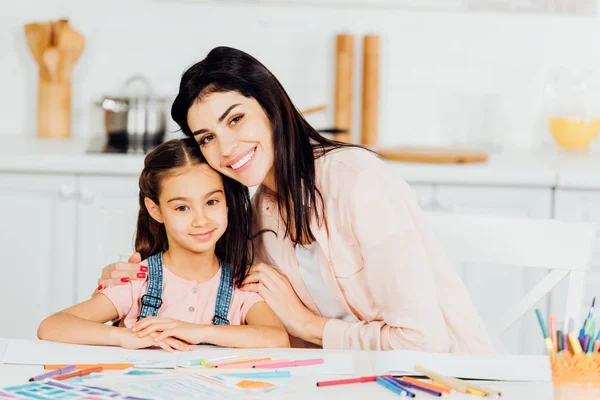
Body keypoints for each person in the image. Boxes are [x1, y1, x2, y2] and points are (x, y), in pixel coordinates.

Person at [96, 46, 495, 353]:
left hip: (438, 381)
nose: (227, 148)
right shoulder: (259, 210)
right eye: (207, 138)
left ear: (270, 106)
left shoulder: (359, 183)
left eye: (235, 119)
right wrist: (145, 276)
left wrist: (307, 325)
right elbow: (228, 296)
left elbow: (423, 342)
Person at [38, 138, 289, 350]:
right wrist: (126, 337)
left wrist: (199, 332)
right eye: (182, 207)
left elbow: (278, 339)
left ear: (226, 203)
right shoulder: (139, 281)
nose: (201, 219)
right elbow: (51, 326)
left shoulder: (240, 286)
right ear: (156, 211)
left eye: (211, 202)